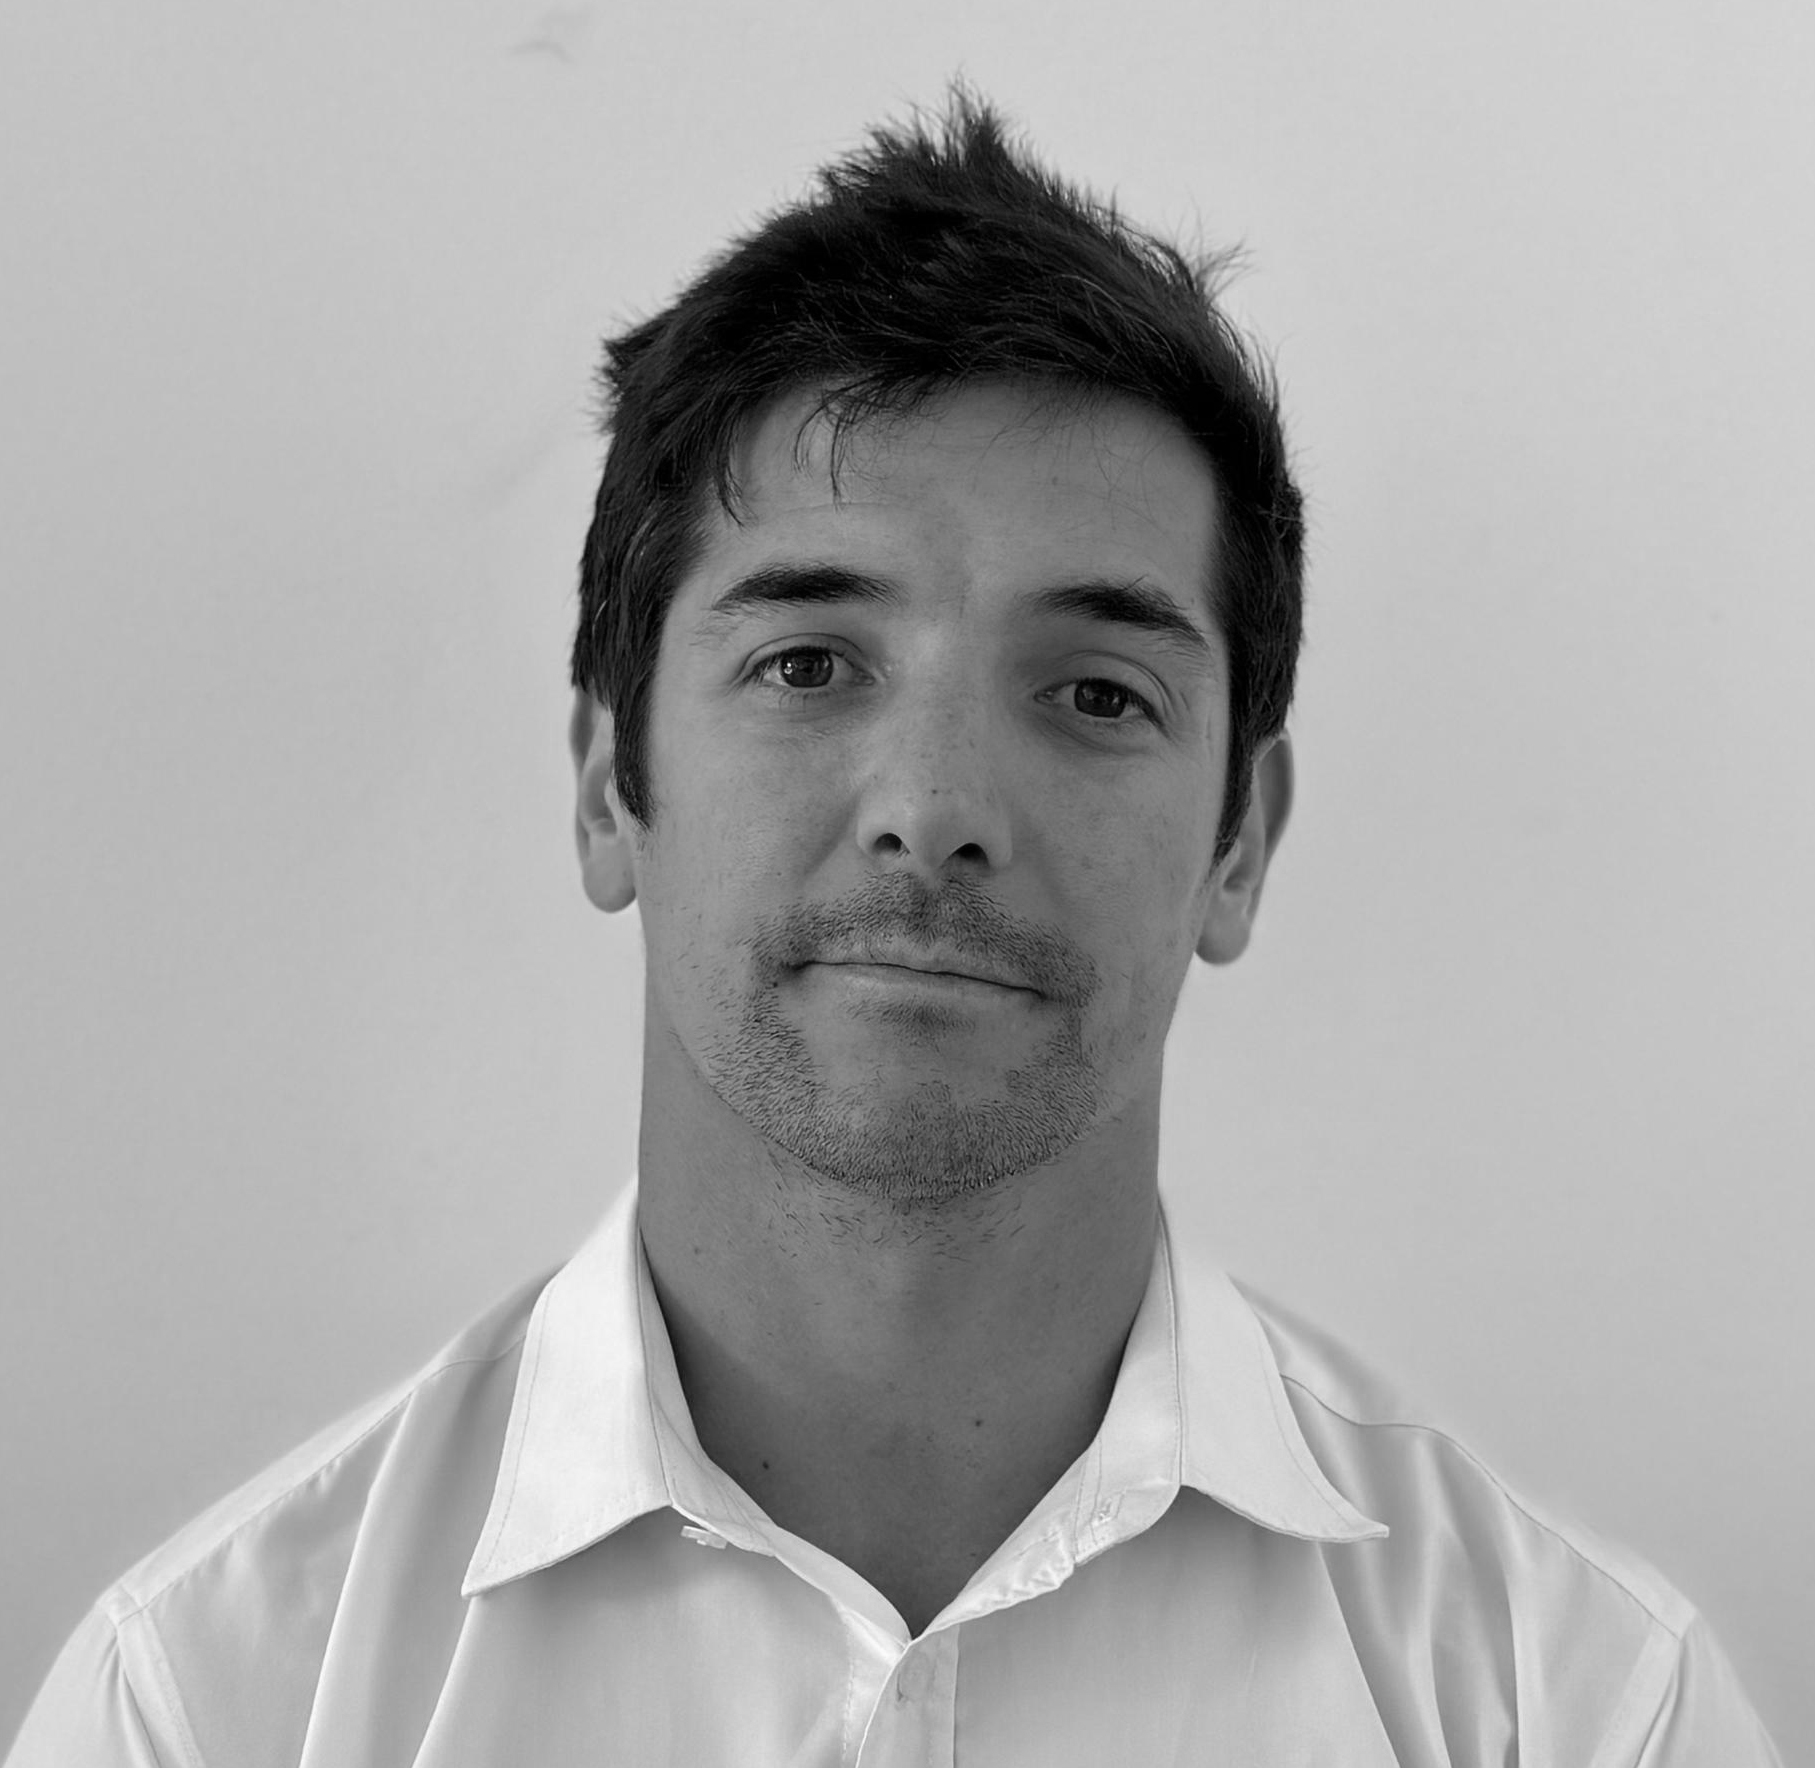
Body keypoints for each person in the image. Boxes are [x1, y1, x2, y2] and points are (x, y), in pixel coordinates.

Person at [7, 90, 1782, 1768]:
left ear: (1240, 840)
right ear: (611, 785)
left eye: (1095, 693)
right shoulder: (212, 1705)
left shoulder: (1580, 1711)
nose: (935, 806)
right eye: (807, 663)